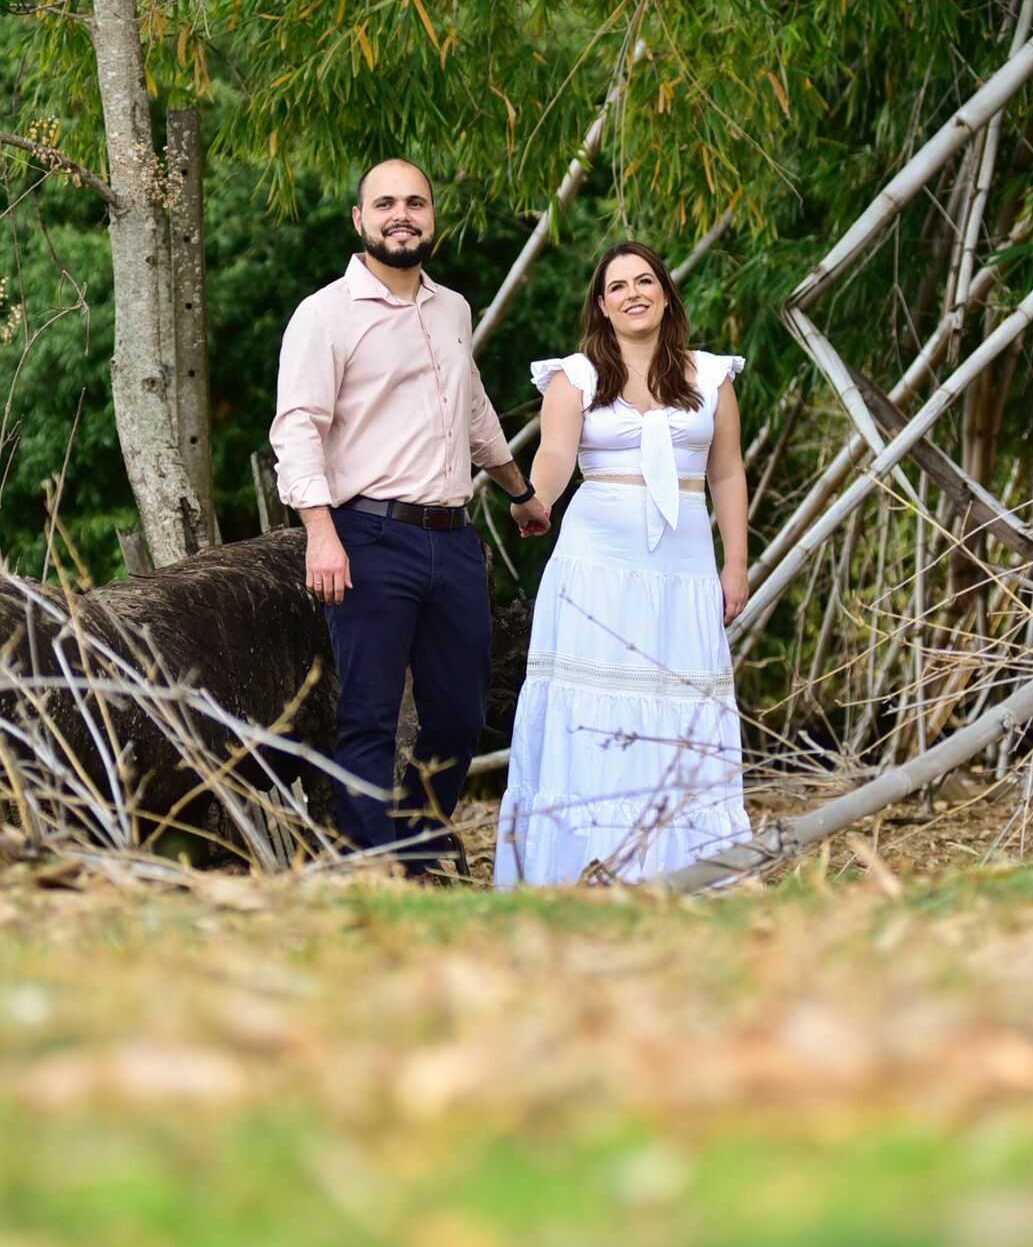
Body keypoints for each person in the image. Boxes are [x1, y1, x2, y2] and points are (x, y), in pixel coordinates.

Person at [270, 157, 552, 878]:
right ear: (360, 221)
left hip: (453, 539)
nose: (404, 214)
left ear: (432, 218)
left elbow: (476, 410)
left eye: (417, 202)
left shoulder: (452, 307)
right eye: (386, 203)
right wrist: (322, 534)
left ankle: (417, 844)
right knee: (367, 715)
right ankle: (381, 872)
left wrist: (519, 491)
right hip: (368, 536)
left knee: (459, 716)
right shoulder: (325, 314)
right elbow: (297, 426)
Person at [496, 241, 752, 887]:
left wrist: (737, 565)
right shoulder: (575, 376)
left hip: (684, 569)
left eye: (645, 281)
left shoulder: (711, 377)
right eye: (618, 286)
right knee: (595, 706)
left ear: (666, 293)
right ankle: (582, 870)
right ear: (602, 306)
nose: (633, 293)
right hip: (595, 567)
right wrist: (537, 499)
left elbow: (726, 472)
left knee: (681, 703)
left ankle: (687, 874)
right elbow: (555, 454)